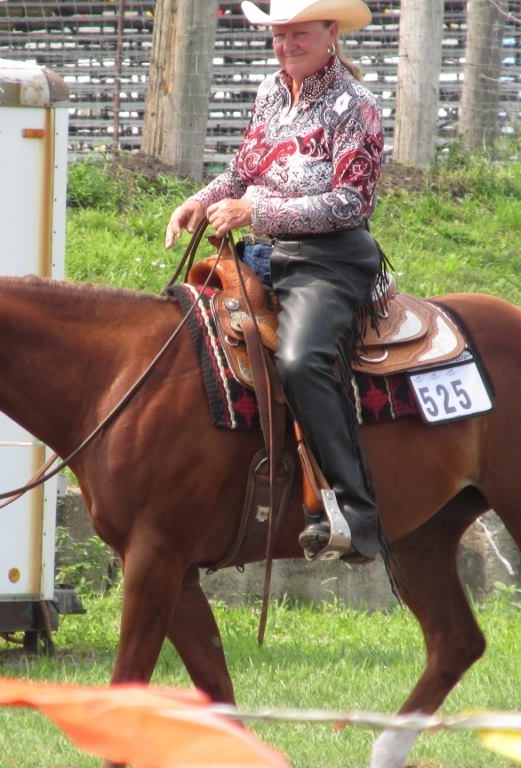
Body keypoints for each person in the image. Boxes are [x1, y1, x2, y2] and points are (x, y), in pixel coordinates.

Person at [165, 0, 386, 563]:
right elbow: (243, 172)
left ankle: (356, 513)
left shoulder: (355, 106)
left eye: (299, 34)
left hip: (327, 261)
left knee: (301, 360)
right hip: (263, 256)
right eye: (279, 35)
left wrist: (255, 213)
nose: (287, 45)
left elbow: (351, 203)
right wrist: (200, 201)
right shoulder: (270, 91)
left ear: (331, 33)